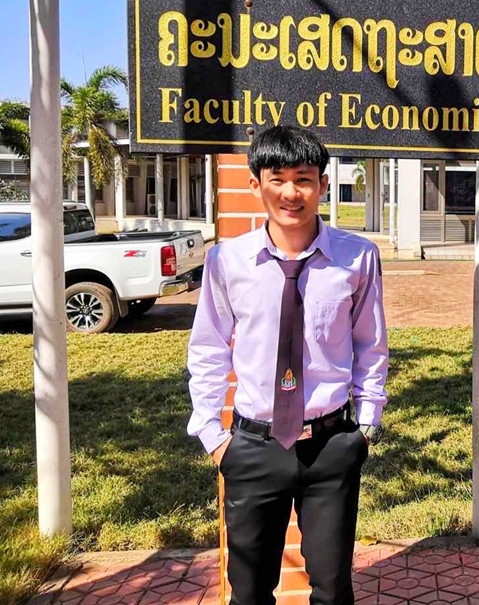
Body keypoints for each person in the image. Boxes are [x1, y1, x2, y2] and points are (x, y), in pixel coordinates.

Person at [186, 125, 388, 605]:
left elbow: (371, 345)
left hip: (331, 446)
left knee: (333, 590)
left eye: (304, 179)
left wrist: (365, 428)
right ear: (256, 184)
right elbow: (209, 349)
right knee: (249, 592)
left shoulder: (357, 258)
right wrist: (214, 437)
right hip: (252, 448)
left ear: (322, 184)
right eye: (277, 179)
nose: (291, 193)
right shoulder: (227, 261)